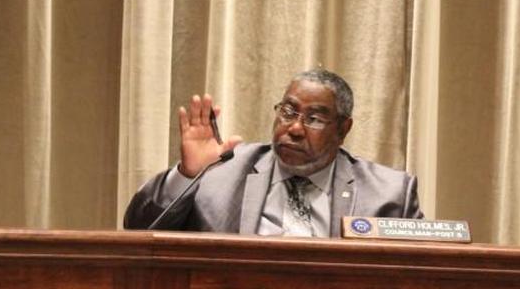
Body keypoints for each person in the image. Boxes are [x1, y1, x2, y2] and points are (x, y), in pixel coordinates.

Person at [124, 69, 423, 235]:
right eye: (288, 111)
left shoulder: (389, 194)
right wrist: (189, 175)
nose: (294, 127)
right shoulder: (222, 172)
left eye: (314, 119)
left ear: (343, 129)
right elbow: (139, 230)